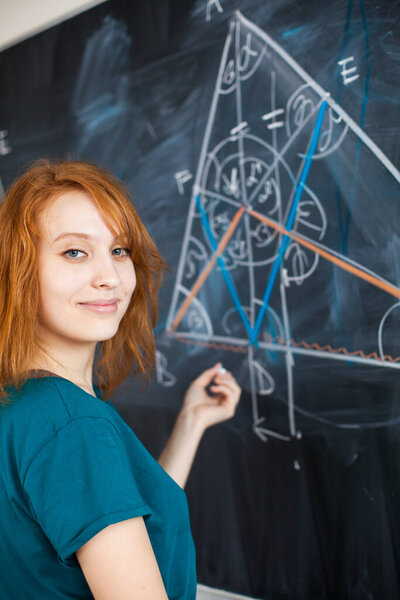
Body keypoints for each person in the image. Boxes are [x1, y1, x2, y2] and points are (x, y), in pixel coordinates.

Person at [0, 159, 241, 599]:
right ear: (18, 272)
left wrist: (190, 424)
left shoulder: (23, 405)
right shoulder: (73, 427)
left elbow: (119, 517)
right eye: (75, 251)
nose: (109, 277)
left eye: (120, 250)